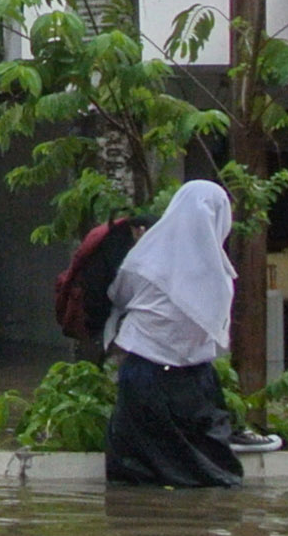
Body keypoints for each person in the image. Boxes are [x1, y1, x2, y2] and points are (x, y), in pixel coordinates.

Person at [102, 179, 255, 488]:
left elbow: (118, 296)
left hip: (143, 375)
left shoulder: (143, 257)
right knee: (209, 472)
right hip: (194, 384)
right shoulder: (221, 276)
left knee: (137, 474)